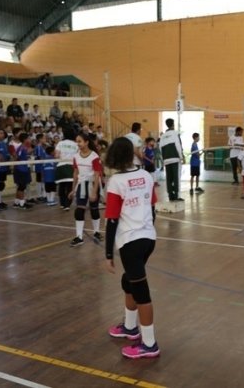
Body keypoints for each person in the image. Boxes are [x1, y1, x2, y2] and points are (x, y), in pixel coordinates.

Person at [105, 137, 160, 359]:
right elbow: (153, 208)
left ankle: (149, 344)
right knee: (128, 281)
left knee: (141, 293)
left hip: (130, 243)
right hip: (148, 239)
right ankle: (130, 327)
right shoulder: (146, 175)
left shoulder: (116, 181)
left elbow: (111, 220)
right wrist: (147, 231)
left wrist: (108, 254)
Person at [68, 133, 102, 247]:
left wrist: (94, 191)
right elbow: (75, 173)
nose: (78, 144)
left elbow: (97, 175)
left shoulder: (94, 157)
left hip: (92, 184)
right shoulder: (76, 156)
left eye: (80, 141)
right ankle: (79, 237)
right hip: (81, 185)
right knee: (79, 211)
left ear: (87, 142)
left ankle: (97, 232)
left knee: (94, 210)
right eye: (77, 142)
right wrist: (73, 189)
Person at [159, 118, 184, 202]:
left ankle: (170, 195)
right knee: (176, 177)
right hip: (175, 158)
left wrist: (163, 160)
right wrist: (181, 157)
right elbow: (178, 146)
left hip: (166, 159)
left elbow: (160, 149)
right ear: (173, 124)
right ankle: (177, 196)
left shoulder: (162, 136)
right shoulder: (175, 133)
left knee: (168, 178)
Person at [55, 127, 78, 211]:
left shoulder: (60, 143)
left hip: (61, 166)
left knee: (61, 186)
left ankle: (62, 204)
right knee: (70, 187)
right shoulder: (76, 144)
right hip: (71, 166)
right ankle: (67, 204)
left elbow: (57, 156)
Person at [0, 130, 10, 210]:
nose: (2, 134)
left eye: (3, 133)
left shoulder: (3, 143)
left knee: (2, 184)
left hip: (4, 167)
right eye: (0, 133)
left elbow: (6, 154)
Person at [33, 133, 47, 202]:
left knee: (42, 181)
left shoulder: (42, 147)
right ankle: (39, 196)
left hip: (42, 166)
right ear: (40, 139)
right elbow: (40, 157)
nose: (45, 139)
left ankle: (43, 195)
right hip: (39, 167)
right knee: (39, 181)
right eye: (44, 138)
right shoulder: (38, 147)